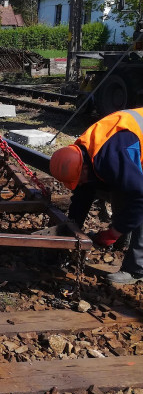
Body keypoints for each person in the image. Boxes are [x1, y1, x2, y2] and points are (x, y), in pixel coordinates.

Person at [49, 108, 143, 284]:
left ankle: (137, 270)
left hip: (127, 151)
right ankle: (124, 237)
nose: (80, 183)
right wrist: (72, 228)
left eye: (79, 179)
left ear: (84, 168)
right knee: (120, 185)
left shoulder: (113, 157)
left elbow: (139, 196)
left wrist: (114, 232)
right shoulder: (83, 150)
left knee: (137, 197)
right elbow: (83, 192)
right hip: (128, 147)